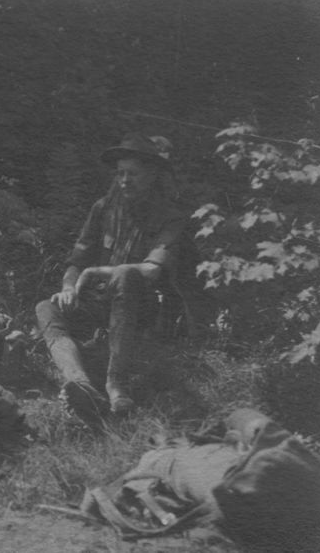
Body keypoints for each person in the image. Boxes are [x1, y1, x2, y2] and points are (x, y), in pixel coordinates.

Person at [36, 133, 192, 427]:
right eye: (119, 174)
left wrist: (96, 272)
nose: (124, 181)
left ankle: (115, 383)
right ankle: (80, 383)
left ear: (153, 175)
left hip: (146, 309)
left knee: (124, 274)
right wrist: (68, 288)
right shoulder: (104, 208)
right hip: (101, 302)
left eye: (132, 174)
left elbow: (151, 271)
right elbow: (76, 261)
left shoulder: (171, 216)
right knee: (46, 307)